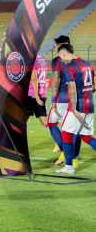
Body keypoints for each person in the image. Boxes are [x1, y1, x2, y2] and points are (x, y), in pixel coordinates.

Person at [56, 44, 96, 175]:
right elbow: (94, 86)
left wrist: (74, 108)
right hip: (90, 105)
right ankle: (69, 166)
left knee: (66, 134)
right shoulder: (86, 64)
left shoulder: (69, 67)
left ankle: (69, 167)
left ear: (63, 54)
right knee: (86, 136)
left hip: (78, 106)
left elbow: (72, 88)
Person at [47, 35, 81, 165]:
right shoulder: (79, 60)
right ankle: (75, 157)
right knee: (75, 128)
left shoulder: (57, 60)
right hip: (77, 99)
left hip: (62, 98)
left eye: (57, 45)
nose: (56, 47)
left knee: (51, 123)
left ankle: (65, 151)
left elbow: (56, 79)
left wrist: (53, 98)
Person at [27, 56, 49, 126]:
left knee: (23, 119)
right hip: (43, 92)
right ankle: (56, 133)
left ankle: (58, 134)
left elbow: (34, 79)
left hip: (32, 94)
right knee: (43, 119)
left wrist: (36, 96)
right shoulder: (43, 59)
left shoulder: (31, 61)